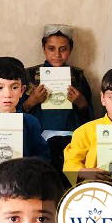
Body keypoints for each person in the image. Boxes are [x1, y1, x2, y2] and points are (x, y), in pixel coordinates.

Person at [22, 25, 96, 164]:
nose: (57, 55)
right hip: (38, 138)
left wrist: (81, 103)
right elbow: (15, 114)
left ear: (70, 50)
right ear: (43, 48)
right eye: (51, 48)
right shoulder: (29, 75)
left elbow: (89, 118)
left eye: (63, 49)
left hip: (70, 139)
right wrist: (31, 101)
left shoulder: (78, 76)